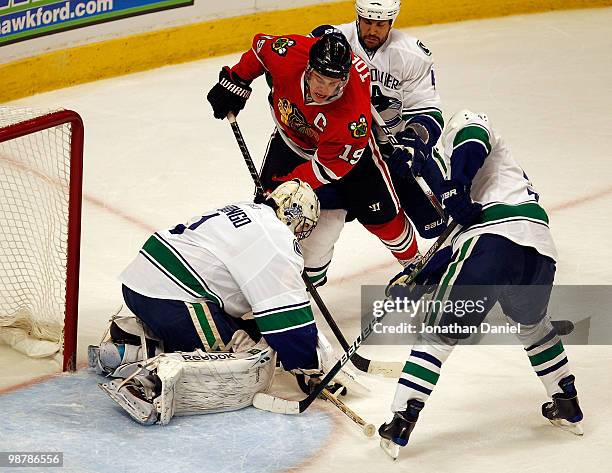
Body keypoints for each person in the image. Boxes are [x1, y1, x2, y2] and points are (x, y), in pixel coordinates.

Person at [378, 110, 584, 459]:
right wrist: (423, 275)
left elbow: (473, 135)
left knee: (438, 332)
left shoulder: (461, 131)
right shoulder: (452, 182)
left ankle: (401, 420)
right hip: (538, 252)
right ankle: (566, 401)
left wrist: (456, 183)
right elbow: (458, 240)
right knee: (532, 326)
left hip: (494, 242)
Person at [91, 180, 363, 425]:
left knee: (243, 329)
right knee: (244, 362)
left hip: (140, 284)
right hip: (174, 300)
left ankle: (132, 345)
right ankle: (147, 384)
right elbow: (288, 325)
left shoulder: (248, 210)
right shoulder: (278, 242)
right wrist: (310, 366)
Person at [206, 31, 419, 286]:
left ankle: (414, 262)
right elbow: (260, 51)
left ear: (345, 79)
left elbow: (328, 169)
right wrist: (237, 79)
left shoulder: (352, 119)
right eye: (319, 79)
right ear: (309, 67)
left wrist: (290, 188)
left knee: (381, 215)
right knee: (267, 217)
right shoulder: (289, 53)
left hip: (349, 159)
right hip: (291, 142)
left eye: (333, 83)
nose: (324, 90)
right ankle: (276, 282)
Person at [312, 0, 447, 240]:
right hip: (345, 153)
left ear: (391, 22)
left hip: (395, 152)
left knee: (436, 225)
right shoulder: (335, 44)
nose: (373, 30)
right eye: (367, 23)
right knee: (322, 216)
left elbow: (428, 110)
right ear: (358, 18)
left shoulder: (411, 54)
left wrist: (413, 141)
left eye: (380, 24)